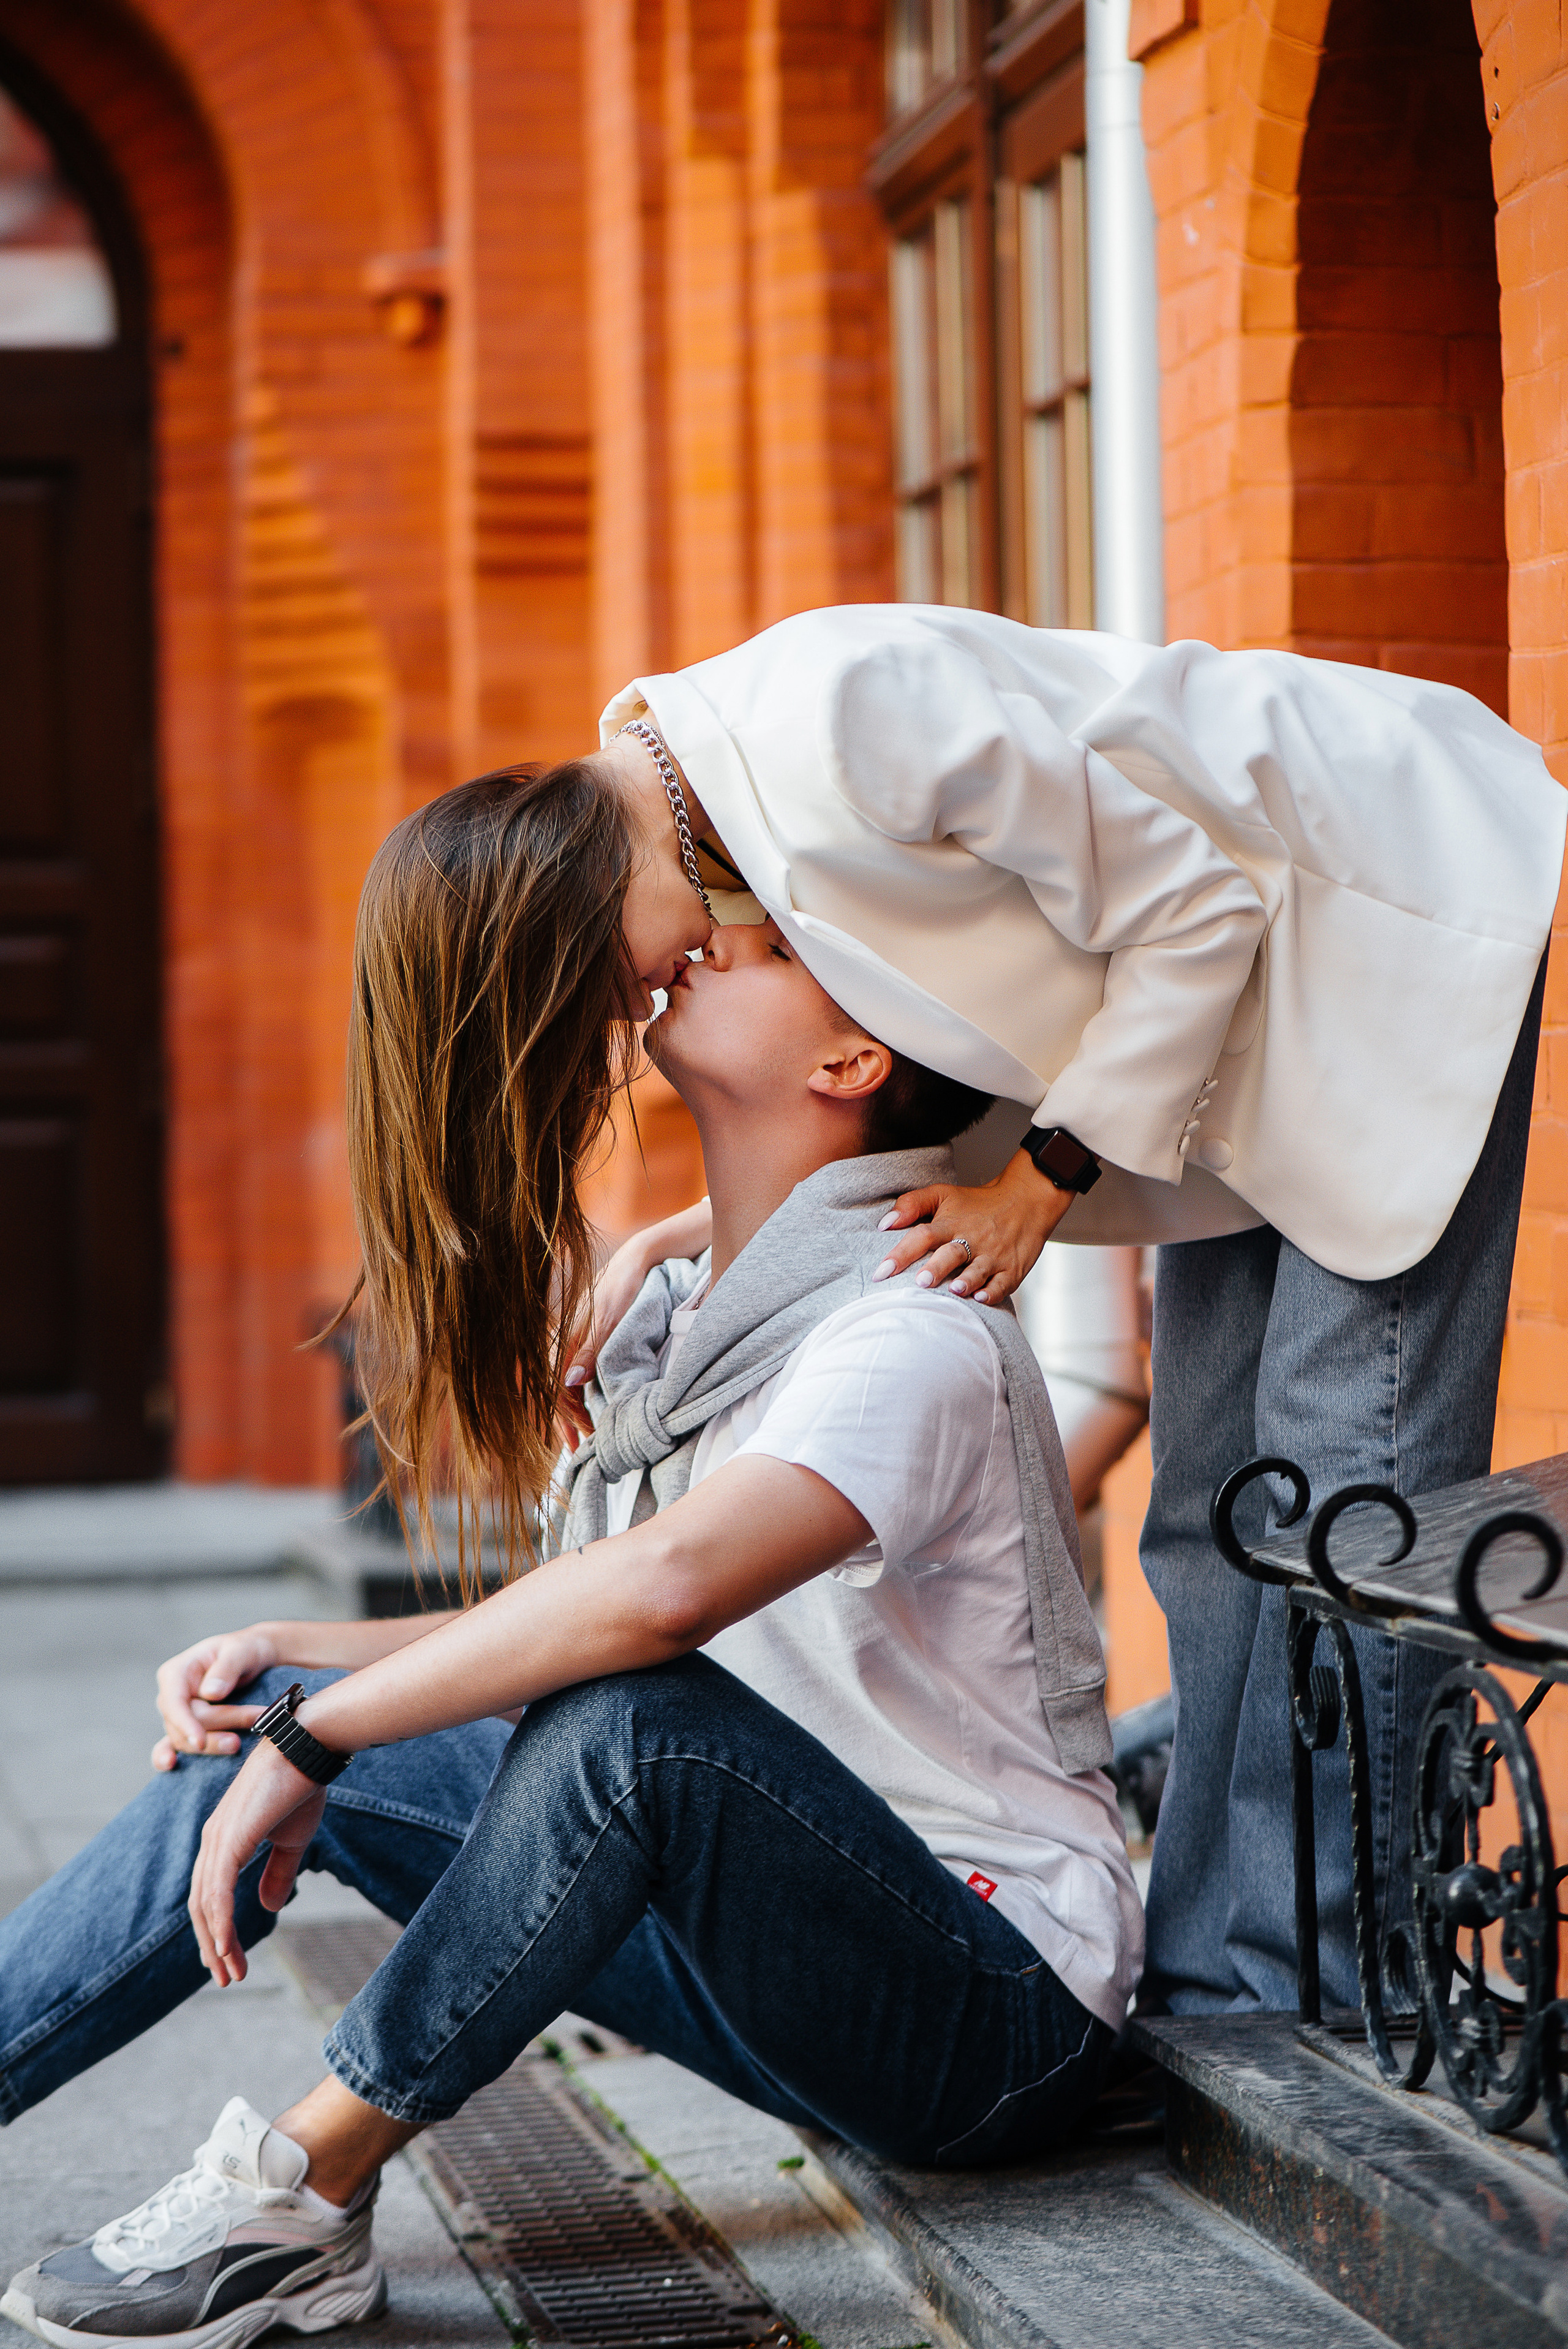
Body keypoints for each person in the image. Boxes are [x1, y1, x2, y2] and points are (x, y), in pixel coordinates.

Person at [0, 790, 1140, 2349]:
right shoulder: (694, 1319)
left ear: (849, 1062)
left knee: (619, 1729)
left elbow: (656, 1603)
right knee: (261, 1708)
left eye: (768, 945)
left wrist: (335, 1727)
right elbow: (584, 1617)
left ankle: (300, 2191)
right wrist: (301, 1661)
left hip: (987, 2008)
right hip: (771, 1943)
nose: (709, 936)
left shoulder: (912, 1336)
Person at [570, 608, 1564, 2014]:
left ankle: (1326, 1984)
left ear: (589, 893)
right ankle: (1224, 1965)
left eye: (631, 981)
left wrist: (1037, 1187)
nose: (658, 1003)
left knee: (1346, 1489)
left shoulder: (836, 716)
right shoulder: (695, 807)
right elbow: (971, 1005)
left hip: (1374, 915)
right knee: (1215, 1500)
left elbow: (1199, 898)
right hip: (1229, 1015)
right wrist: (689, 1227)